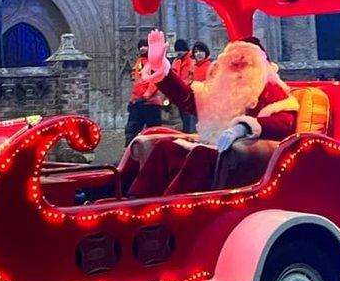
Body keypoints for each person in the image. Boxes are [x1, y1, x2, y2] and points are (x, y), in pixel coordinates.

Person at [126, 30, 299, 197]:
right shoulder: (223, 88)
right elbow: (189, 100)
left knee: (199, 156)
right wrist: (162, 71)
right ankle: (138, 201)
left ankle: (170, 210)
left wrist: (242, 128)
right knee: (165, 149)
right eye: (233, 65)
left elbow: (284, 122)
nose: (237, 70)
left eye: (243, 64)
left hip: (240, 156)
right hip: (214, 145)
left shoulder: (271, 88)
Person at [123, 38, 164, 146]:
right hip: (138, 102)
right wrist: (132, 100)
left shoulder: (155, 62)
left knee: (153, 132)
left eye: (145, 45)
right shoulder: (138, 63)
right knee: (131, 130)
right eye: (140, 46)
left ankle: (154, 153)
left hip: (151, 103)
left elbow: (156, 81)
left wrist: (147, 95)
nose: (142, 48)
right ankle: (130, 152)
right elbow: (137, 83)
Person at [171, 39, 197, 133]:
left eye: (179, 50)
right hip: (180, 96)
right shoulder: (176, 61)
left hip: (188, 95)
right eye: (176, 50)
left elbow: (191, 77)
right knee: (184, 119)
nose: (178, 53)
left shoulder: (192, 60)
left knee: (189, 122)